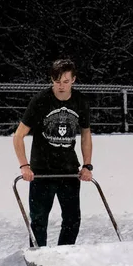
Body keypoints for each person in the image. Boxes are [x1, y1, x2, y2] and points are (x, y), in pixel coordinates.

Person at [13, 58, 93, 247]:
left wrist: (87, 165)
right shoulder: (40, 101)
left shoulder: (80, 101)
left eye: (66, 81)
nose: (61, 86)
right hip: (42, 172)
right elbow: (18, 136)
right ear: (51, 79)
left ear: (73, 79)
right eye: (57, 81)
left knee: (73, 220)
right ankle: (39, 259)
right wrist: (25, 165)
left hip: (68, 171)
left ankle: (63, 256)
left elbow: (86, 135)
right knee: (39, 222)